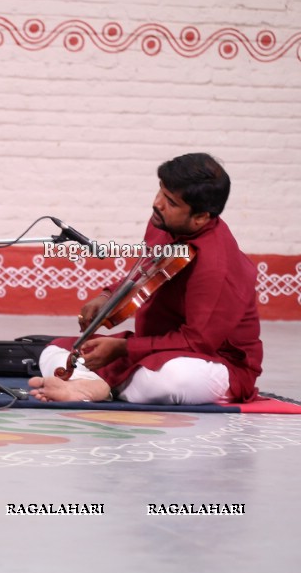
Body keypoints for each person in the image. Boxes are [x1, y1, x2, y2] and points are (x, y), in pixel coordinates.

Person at [29, 152, 262, 405]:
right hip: (150, 349)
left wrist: (124, 349)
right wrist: (107, 296)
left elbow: (198, 342)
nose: (158, 204)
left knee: (176, 379)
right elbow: (143, 274)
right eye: (161, 191)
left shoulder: (217, 266)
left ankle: (94, 387)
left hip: (212, 361)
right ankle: (94, 386)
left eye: (171, 203)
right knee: (55, 352)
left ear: (201, 217)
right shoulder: (162, 225)